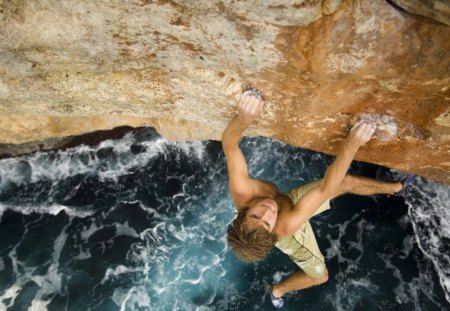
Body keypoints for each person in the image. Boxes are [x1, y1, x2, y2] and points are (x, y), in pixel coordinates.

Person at [222, 88, 405, 308]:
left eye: (255, 215)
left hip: (287, 202)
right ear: (273, 229)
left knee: (345, 181)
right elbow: (326, 188)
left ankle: (396, 187)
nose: (267, 210)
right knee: (320, 276)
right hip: (293, 224)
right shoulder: (285, 225)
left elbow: (229, 144)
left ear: (243, 213)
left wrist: (244, 119)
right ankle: (278, 290)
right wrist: (352, 144)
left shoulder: (243, 192)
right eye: (267, 221)